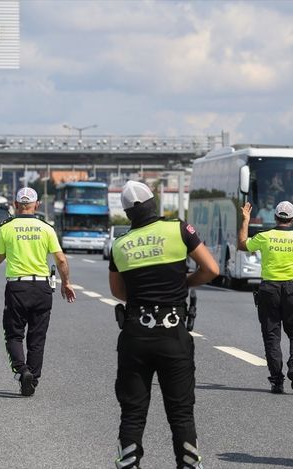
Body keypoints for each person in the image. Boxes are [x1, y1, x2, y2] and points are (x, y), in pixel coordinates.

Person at [109, 181, 219, 469]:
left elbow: (119, 292)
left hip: (135, 333)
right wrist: (184, 283)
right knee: (181, 411)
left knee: (133, 412)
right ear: (153, 203)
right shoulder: (179, 230)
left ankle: (129, 464)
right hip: (173, 331)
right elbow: (212, 269)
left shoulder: (119, 245)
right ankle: (188, 465)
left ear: (127, 214)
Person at [0, 187, 76, 397]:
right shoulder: (46, 228)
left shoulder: (6, 228)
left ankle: (22, 372)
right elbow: (61, 259)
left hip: (17, 287)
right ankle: (33, 378)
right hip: (42, 287)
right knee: (37, 338)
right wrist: (66, 283)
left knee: (14, 334)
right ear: (37, 205)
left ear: (15, 204)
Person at [237, 200, 293, 394]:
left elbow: (242, 245)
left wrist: (245, 220)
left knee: (272, 336)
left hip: (269, 289)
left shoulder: (264, 236)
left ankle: (277, 381)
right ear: (292, 218)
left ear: (275, 217)